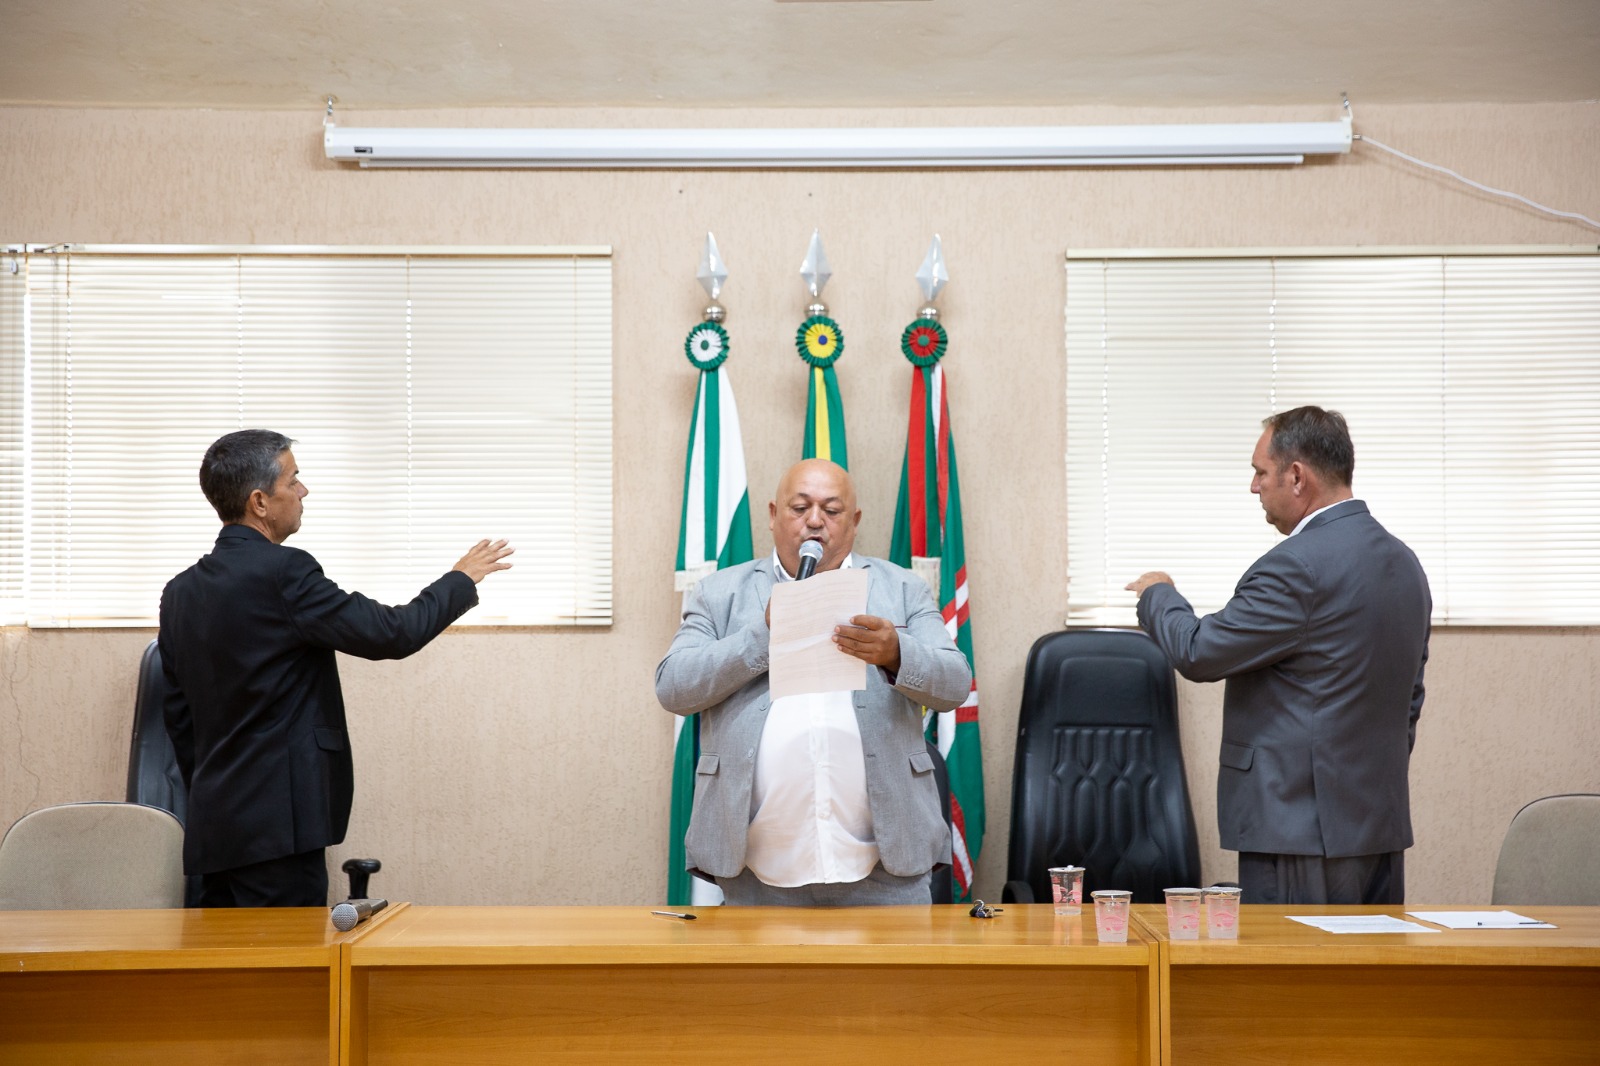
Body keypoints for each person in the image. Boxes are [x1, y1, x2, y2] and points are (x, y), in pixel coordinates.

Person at [159, 429, 513, 907]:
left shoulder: (179, 593)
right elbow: (392, 633)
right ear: (259, 502)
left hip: (214, 831)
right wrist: (460, 579)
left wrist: (215, 795)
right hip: (280, 833)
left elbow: (179, 718)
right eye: (293, 480)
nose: (303, 491)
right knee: (289, 956)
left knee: (224, 957)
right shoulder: (284, 572)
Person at [1126, 406, 1430, 906]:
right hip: (1377, 826)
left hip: (1297, 831)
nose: (1254, 487)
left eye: (1260, 472)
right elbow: (1410, 696)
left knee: (1292, 960)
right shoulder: (1405, 563)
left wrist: (1158, 594)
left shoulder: (1297, 567)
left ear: (1297, 476)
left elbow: (1199, 651)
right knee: (1370, 958)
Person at [656, 458, 971, 906]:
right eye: (800, 507)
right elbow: (673, 687)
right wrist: (761, 637)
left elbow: (955, 684)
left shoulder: (903, 588)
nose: (815, 521)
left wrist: (897, 654)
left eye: (832, 510)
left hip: (885, 870)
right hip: (757, 871)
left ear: (854, 521)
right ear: (773, 515)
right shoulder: (720, 593)